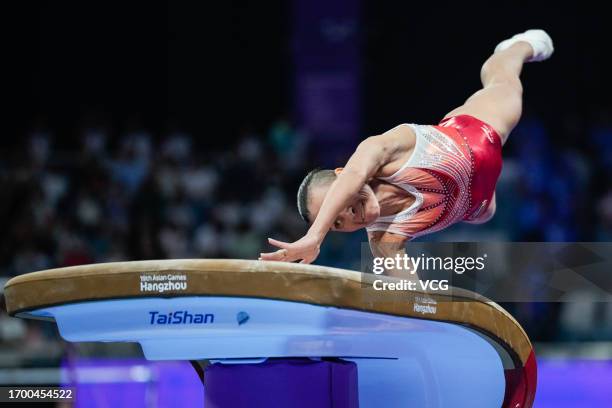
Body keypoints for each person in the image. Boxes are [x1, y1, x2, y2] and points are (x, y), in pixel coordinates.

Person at [260, 30, 554, 274]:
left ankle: (515, 46)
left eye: (336, 207)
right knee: (486, 213)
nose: (347, 216)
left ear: (342, 176)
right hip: (477, 206)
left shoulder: (378, 150)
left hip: (476, 135)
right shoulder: (384, 240)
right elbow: (412, 296)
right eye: (338, 224)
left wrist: (316, 235)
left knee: (503, 80)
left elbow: (355, 172)